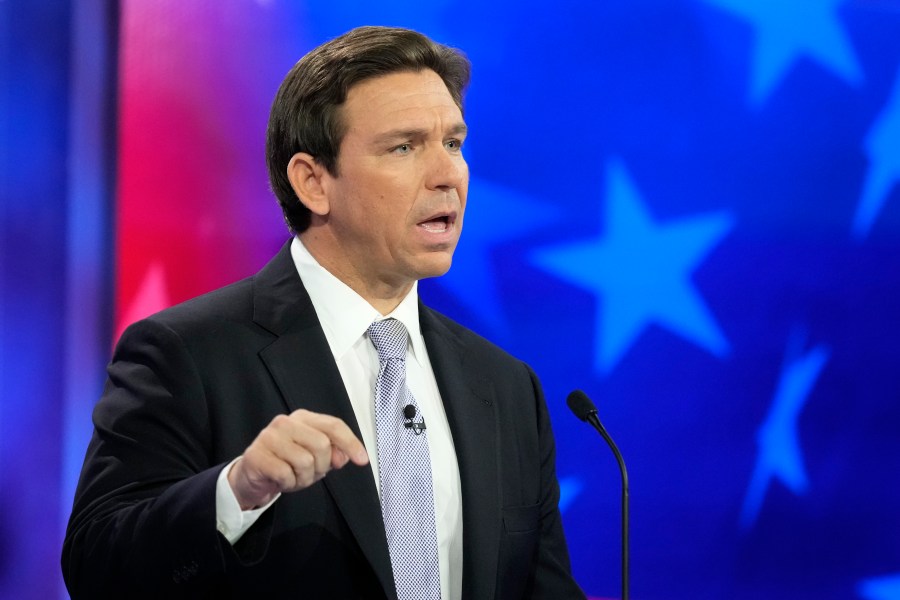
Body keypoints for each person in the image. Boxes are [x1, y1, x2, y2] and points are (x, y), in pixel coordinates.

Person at [62, 25, 585, 600]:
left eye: (454, 144)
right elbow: (97, 567)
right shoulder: (186, 353)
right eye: (404, 146)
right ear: (313, 183)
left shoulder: (506, 387)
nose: (448, 175)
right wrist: (238, 489)